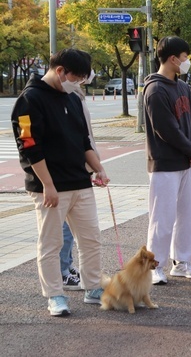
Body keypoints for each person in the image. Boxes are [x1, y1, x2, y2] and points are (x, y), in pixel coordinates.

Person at [11, 48, 109, 316]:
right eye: (75, 78)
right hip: (50, 187)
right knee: (51, 244)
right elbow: (29, 146)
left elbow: (84, 142)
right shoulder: (29, 100)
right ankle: (55, 295)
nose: (77, 84)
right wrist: (48, 185)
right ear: (60, 70)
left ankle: (92, 288)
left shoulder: (73, 98)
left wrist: (98, 168)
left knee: (91, 239)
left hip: (80, 181)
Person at [143, 36, 191, 285]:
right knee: (163, 217)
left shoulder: (182, 87)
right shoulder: (155, 90)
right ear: (172, 59)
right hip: (164, 164)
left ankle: (182, 262)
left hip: (186, 162)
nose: (187, 61)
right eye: (185, 57)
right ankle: (154, 265)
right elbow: (166, 130)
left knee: (190, 214)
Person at [60, 69, 100, 291]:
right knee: (64, 229)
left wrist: (96, 165)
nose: (85, 80)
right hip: (68, 175)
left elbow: (85, 137)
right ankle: (62, 270)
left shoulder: (76, 95)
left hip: (82, 168)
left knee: (81, 232)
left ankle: (68, 266)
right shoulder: (68, 96)